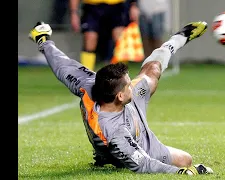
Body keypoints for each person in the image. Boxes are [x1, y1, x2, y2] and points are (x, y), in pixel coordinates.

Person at [29, 21, 212, 175]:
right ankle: (107, 158)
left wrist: (43, 40)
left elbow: (63, 66)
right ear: (120, 95)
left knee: (152, 70)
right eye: (128, 85)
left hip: (128, 110)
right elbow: (142, 164)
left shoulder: (90, 83)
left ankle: (180, 37)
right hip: (140, 144)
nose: (132, 84)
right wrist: (181, 172)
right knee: (185, 160)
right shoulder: (115, 132)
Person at [70, 0, 140, 71]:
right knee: (90, 39)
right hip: (92, 7)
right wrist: (74, 13)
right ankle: (87, 74)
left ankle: (121, 75)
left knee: (120, 41)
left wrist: (133, 5)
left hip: (117, 6)